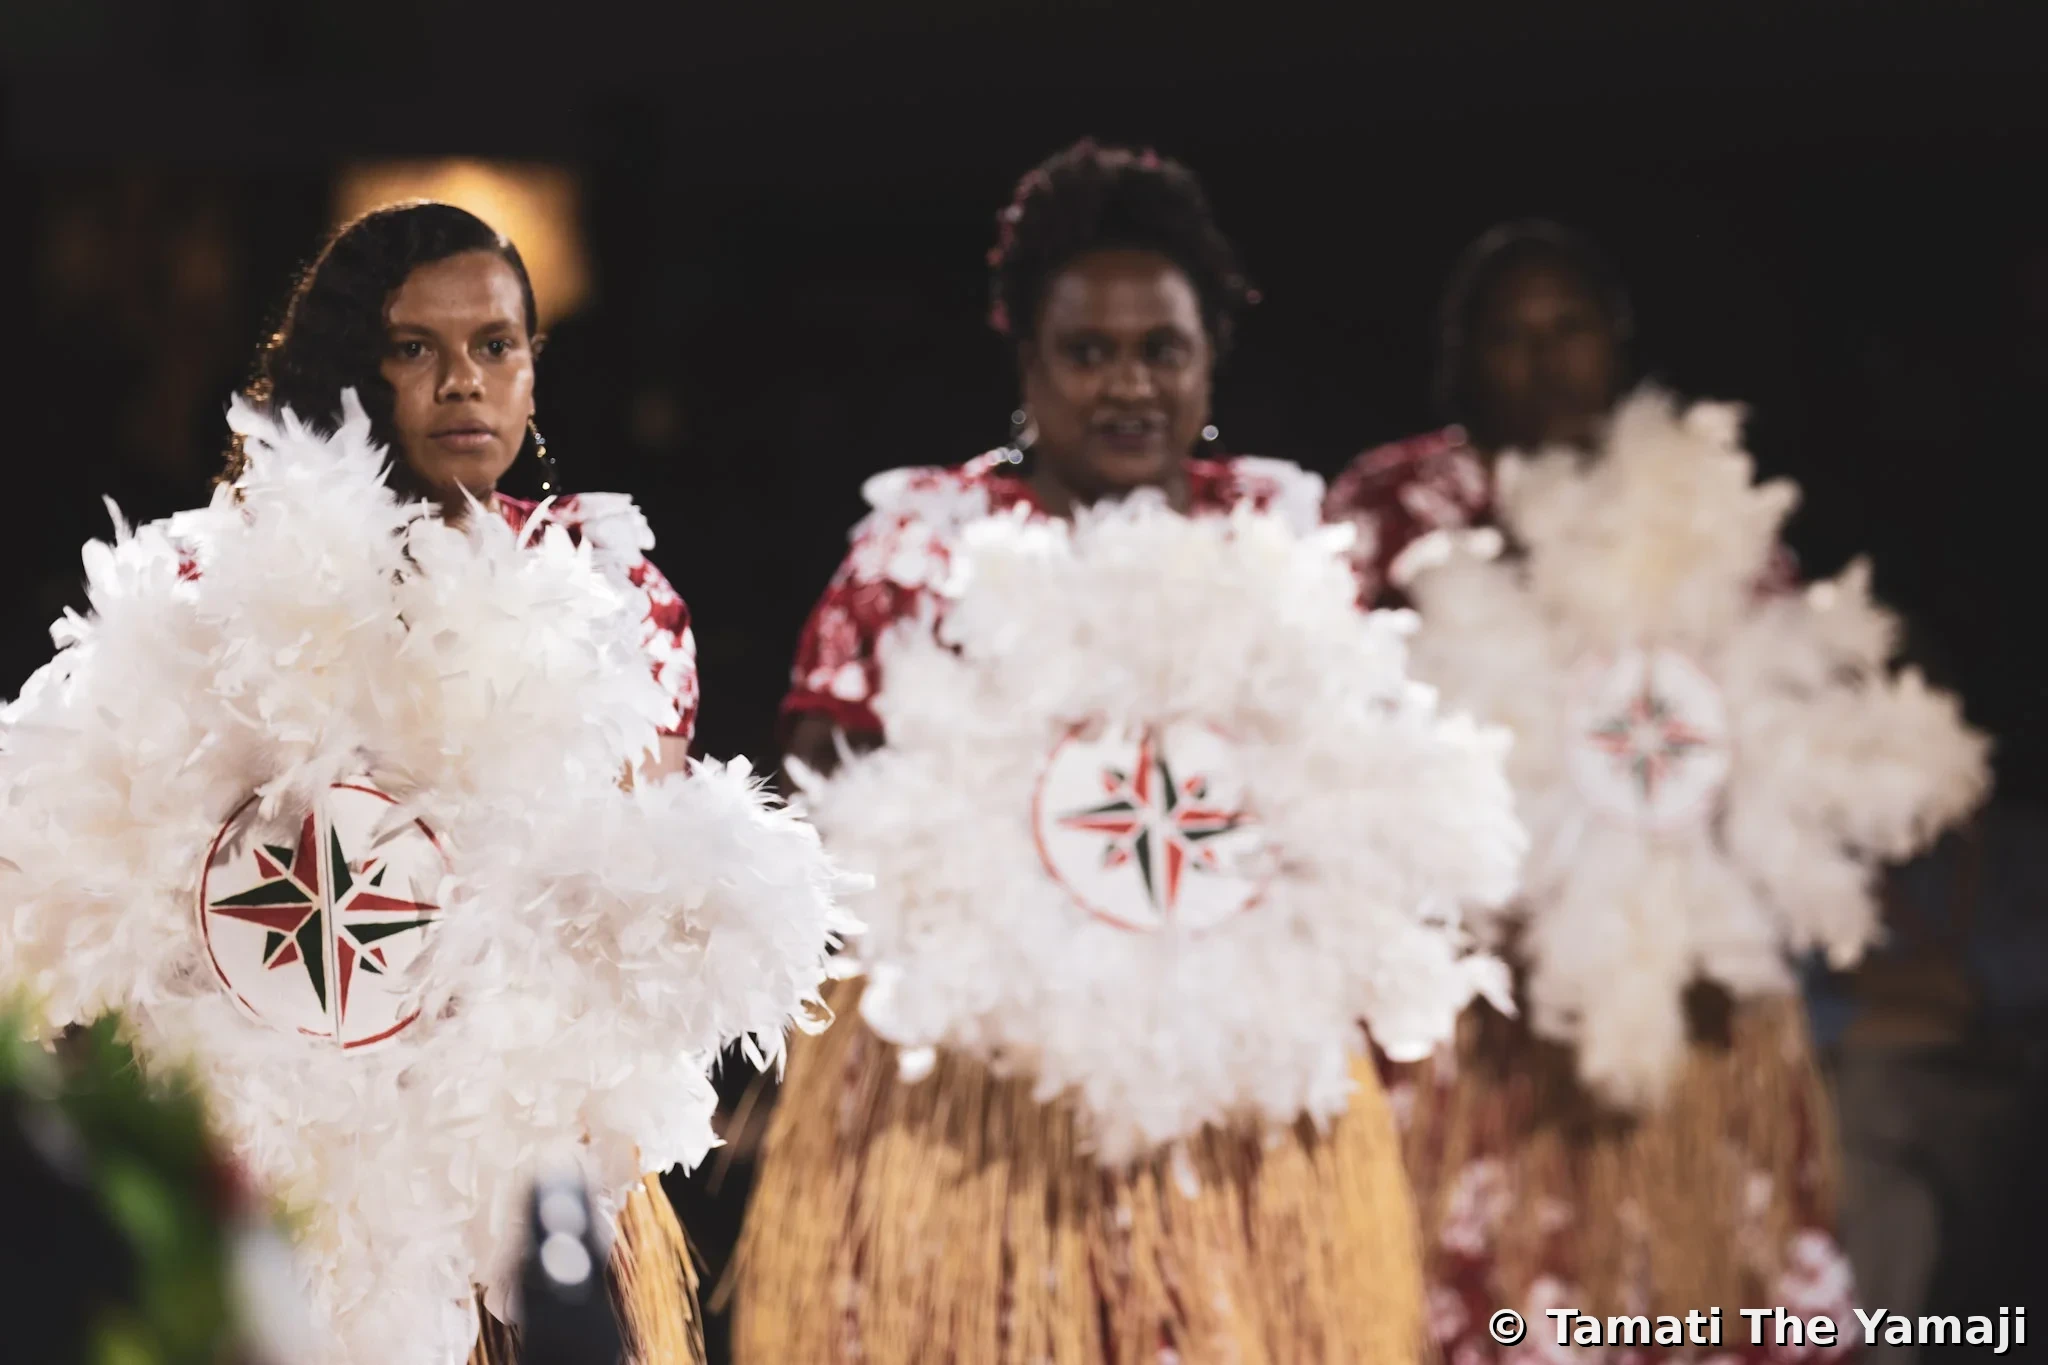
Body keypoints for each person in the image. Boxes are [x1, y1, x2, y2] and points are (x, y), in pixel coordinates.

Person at [736, 140, 1430, 1365]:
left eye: (1159, 350)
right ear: (1025, 359)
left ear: (1210, 355)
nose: (1126, 385)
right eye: (1087, 352)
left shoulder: (1277, 536)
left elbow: (1371, 799)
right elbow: (816, 812)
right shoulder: (927, 549)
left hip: (1239, 1102)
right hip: (983, 1115)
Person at [1326, 222, 1857, 1364]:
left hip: (1683, 993)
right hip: (1480, 1014)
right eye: (1509, 336)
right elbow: (1326, 729)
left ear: (1613, 343)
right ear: (1462, 357)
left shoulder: (1695, 498)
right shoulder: (1393, 510)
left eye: (1568, 328)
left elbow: (1781, 720)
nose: (1544, 359)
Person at [226, 202, 703, 1363]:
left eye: (496, 345)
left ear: (534, 370)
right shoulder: (232, 581)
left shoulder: (616, 599)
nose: (462, 383)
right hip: (291, 1147)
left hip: (523, 1155)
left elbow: (641, 895)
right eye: (414, 348)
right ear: (353, 365)